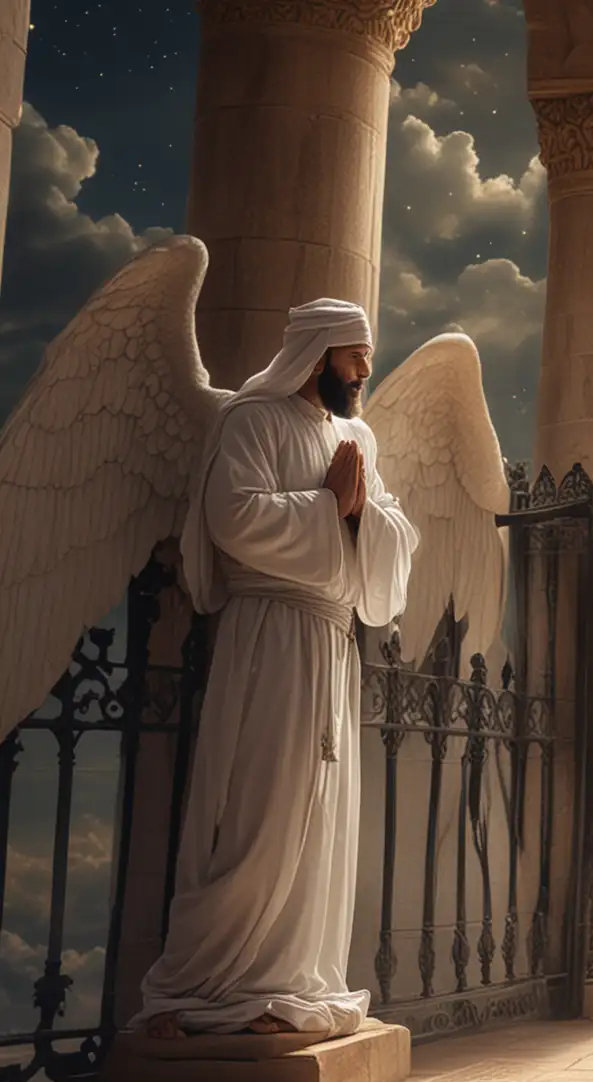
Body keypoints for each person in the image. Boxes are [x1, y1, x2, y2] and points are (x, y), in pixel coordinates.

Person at [136, 299, 419, 1039]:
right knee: (260, 811)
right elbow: (233, 518)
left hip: (330, 642)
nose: (363, 370)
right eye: (353, 355)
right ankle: (214, 981)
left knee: (319, 818)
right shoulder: (250, 421)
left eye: (364, 355)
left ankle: (290, 982)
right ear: (317, 352)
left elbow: (392, 529)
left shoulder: (357, 435)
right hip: (270, 639)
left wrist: (357, 516)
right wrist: (329, 507)